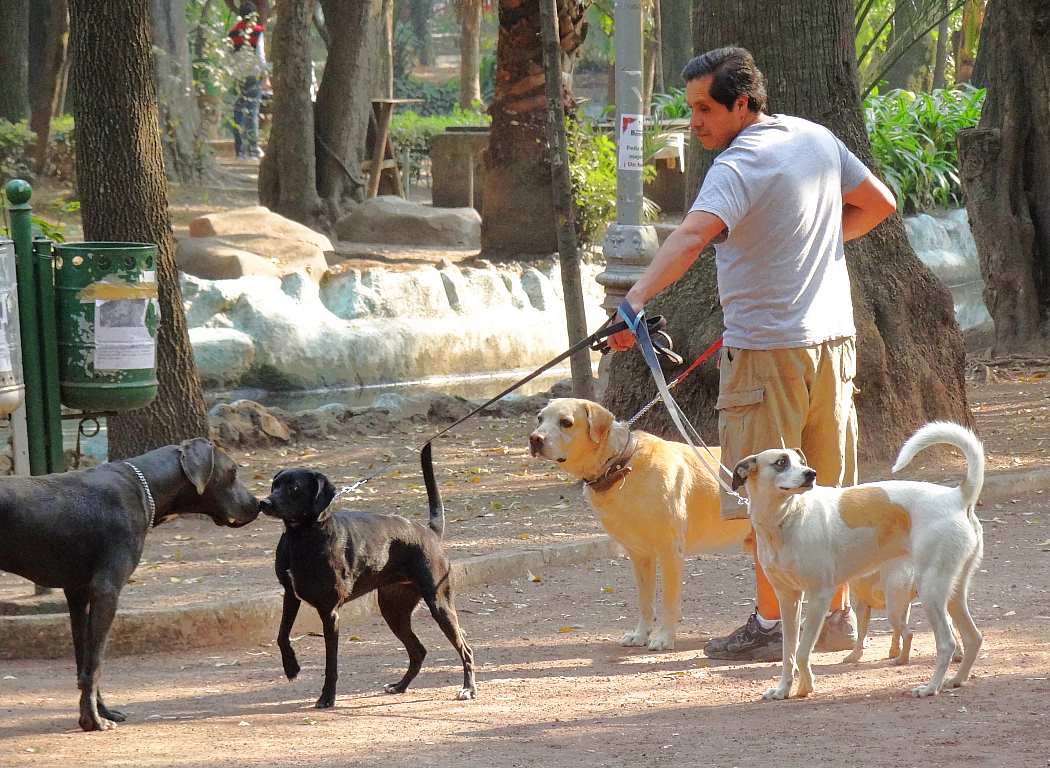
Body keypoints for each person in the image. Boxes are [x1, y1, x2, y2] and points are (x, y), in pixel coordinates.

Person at [607, 47, 897, 661]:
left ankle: (771, 625)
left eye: (705, 109)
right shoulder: (816, 139)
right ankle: (835, 616)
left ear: (743, 103)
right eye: (690, 109)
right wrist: (810, 244)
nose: (695, 123)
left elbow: (690, 237)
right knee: (827, 488)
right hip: (835, 346)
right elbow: (880, 204)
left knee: (762, 493)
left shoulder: (737, 165)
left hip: (767, 351)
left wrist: (633, 299)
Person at [228, 2, 269, 160]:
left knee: (238, 112)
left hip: (237, 77)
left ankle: (240, 150)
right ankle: (253, 149)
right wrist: (265, 76)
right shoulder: (257, 32)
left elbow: (228, 56)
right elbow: (260, 56)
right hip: (253, 76)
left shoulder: (232, 33)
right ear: (253, 15)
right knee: (252, 112)